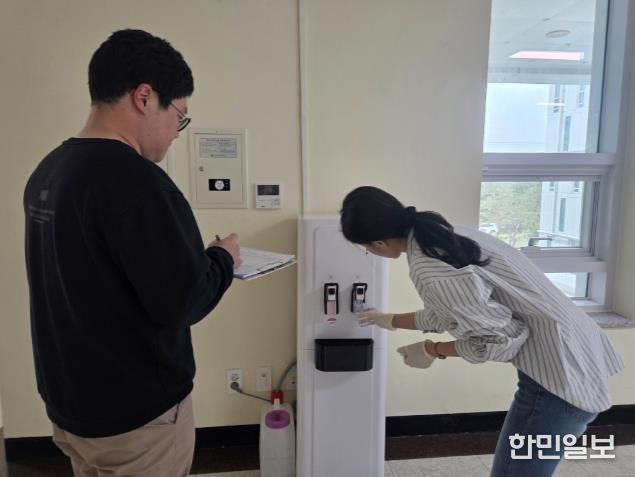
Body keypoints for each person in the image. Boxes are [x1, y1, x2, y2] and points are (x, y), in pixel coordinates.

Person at [23, 29, 240, 477]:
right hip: (135, 419)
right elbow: (183, 301)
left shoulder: (50, 170)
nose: (176, 133)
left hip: (71, 407)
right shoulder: (138, 184)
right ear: (144, 97)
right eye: (179, 117)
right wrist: (223, 259)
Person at [340, 186, 624, 477]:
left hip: (556, 376)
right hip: (573, 349)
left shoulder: (430, 268)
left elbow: (498, 340)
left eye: (364, 247)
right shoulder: (444, 234)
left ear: (378, 242)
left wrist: (432, 350)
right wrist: (390, 320)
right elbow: (451, 312)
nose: (367, 252)